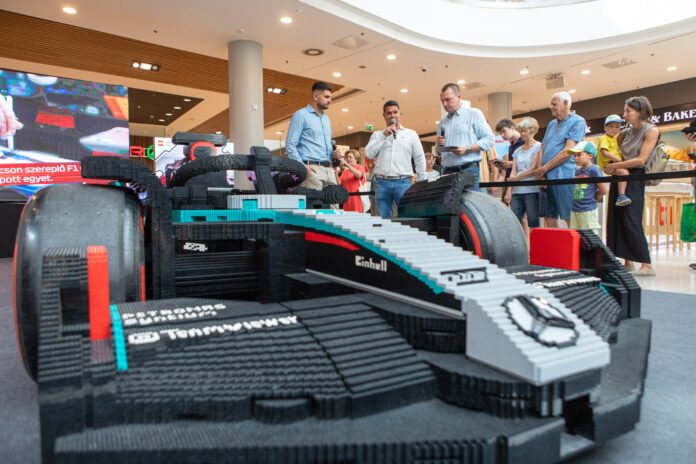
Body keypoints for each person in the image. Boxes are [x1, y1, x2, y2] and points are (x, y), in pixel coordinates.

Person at [605, 96, 658, 277]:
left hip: (634, 176)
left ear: (640, 111)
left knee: (631, 217)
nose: (624, 114)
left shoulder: (651, 130)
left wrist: (616, 166)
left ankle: (646, 264)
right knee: (616, 217)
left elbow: (641, 159)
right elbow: (619, 154)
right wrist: (614, 165)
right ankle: (627, 262)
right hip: (620, 175)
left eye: (628, 111)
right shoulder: (625, 133)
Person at [365, 100, 426, 219]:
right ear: (384, 116)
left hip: (404, 183)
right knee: (382, 220)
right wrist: (384, 136)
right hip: (381, 183)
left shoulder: (411, 134)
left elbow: (419, 157)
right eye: (389, 113)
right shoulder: (377, 135)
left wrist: (421, 181)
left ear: (399, 113)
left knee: (408, 217)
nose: (392, 115)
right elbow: (368, 154)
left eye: (395, 112)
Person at [537, 91, 587, 228]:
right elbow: (542, 147)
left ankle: (576, 242)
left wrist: (543, 169)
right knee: (548, 215)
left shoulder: (578, 121)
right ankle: (554, 242)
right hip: (546, 176)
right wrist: (541, 173)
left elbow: (568, 151)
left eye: (554, 104)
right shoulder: (551, 124)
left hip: (563, 174)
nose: (550, 107)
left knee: (568, 215)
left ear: (566, 104)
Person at [436, 83, 495, 190]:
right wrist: (439, 146)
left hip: (468, 170)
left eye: (448, 100)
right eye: (442, 100)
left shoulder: (474, 114)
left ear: (459, 96)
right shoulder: (442, 123)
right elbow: (439, 151)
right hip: (447, 172)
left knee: (469, 201)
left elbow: (489, 139)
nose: (444, 104)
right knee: (449, 202)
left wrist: (467, 148)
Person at [285, 81, 342, 190]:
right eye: (326, 97)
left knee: (334, 201)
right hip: (311, 170)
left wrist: (333, 154)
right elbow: (290, 144)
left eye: (330, 97)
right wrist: (302, 167)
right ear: (315, 96)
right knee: (314, 201)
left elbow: (326, 147)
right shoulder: (301, 115)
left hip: (329, 170)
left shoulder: (326, 119)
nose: (330, 100)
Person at [504, 117, 543, 237]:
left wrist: (514, 179)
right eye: (521, 131)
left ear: (532, 130)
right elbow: (513, 171)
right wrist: (509, 190)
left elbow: (533, 169)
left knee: (533, 223)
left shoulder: (539, 146)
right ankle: (521, 246)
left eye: (525, 131)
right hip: (517, 191)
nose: (522, 134)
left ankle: (534, 247)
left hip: (532, 190)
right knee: (515, 222)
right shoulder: (517, 151)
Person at [568, 141, 607, 236]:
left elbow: (603, 190)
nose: (575, 158)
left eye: (579, 155)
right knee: (576, 237)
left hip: (588, 210)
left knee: (590, 237)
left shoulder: (594, 170)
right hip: (575, 209)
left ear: (590, 156)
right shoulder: (577, 171)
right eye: (574, 155)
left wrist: (593, 198)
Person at [597, 114, 631, 206]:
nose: (614, 129)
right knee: (624, 172)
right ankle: (621, 196)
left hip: (612, 162)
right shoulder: (604, 138)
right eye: (611, 126)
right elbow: (604, 152)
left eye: (617, 127)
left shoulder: (615, 139)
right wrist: (618, 159)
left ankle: (621, 195)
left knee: (624, 172)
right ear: (605, 128)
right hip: (608, 163)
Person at [495, 118, 525, 204]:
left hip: (520, 183)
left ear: (512, 128)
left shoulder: (524, 142)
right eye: (500, 133)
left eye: (504, 131)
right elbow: (507, 168)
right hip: (508, 181)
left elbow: (528, 163)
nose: (502, 135)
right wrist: (501, 164)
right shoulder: (510, 146)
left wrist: (511, 164)